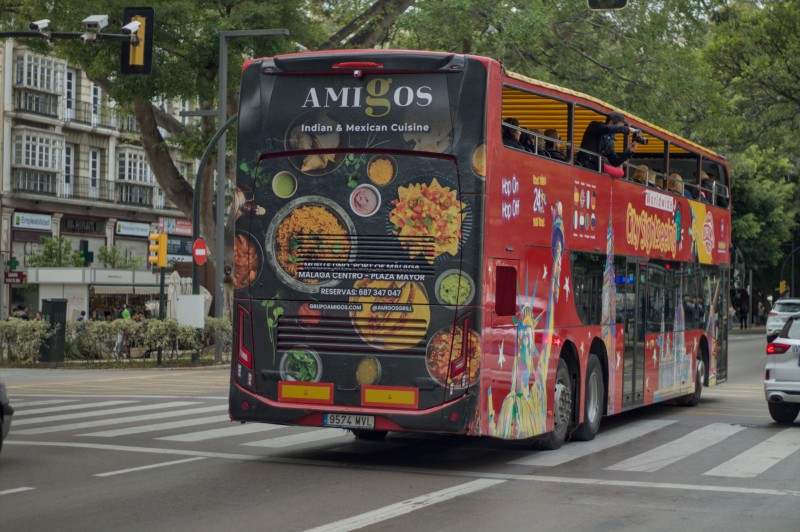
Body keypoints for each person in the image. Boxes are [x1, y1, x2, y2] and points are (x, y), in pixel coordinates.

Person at [578, 111, 640, 178]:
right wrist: (627, 129)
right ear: (610, 123)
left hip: (596, 171)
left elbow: (615, 162)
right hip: (584, 166)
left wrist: (629, 150)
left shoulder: (609, 141)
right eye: (619, 128)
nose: (618, 132)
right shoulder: (595, 125)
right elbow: (605, 129)